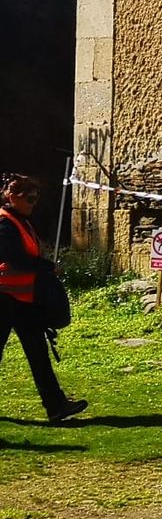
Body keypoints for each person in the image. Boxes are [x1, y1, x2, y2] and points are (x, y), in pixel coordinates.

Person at [0, 174, 85, 422]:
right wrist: (47, 267)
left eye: (35, 198)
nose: (33, 203)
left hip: (24, 299)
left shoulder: (20, 221)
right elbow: (14, 258)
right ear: (12, 197)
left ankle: (56, 406)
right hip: (4, 298)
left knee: (38, 353)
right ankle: (56, 405)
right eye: (29, 198)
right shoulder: (5, 224)